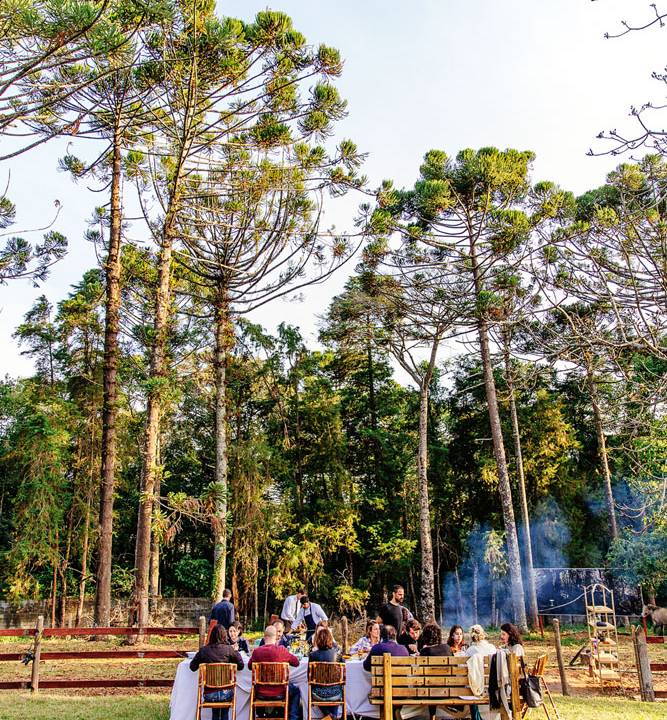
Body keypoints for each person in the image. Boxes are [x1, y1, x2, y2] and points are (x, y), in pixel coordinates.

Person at [190, 624, 244, 720]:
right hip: (226, 692)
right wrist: (236, 651)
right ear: (224, 635)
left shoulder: (204, 650)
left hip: (210, 694)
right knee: (224, 712)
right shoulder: (229, 649)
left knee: (215, 712)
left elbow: (192, 667)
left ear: (211, 635)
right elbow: (241, 666)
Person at [249, 625, 301, 720]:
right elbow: (296, 663)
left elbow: (249, 666)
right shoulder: (282, 650)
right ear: (276, 637)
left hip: (260, 692)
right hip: (280, 691)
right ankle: (293, 718)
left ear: (264, 637)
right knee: (296, 690)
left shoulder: (257, 652)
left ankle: (261, 715)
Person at [308, 626, 344, 717]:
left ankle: (329, 715)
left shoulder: (313, 655)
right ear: (330, 639)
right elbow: (343, 670)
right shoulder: (338, 655)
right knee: (337, 684)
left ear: (318, 640)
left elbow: (309, 677)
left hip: (318, 693)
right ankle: (333, 716)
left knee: (312, 689)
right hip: (336, 693)